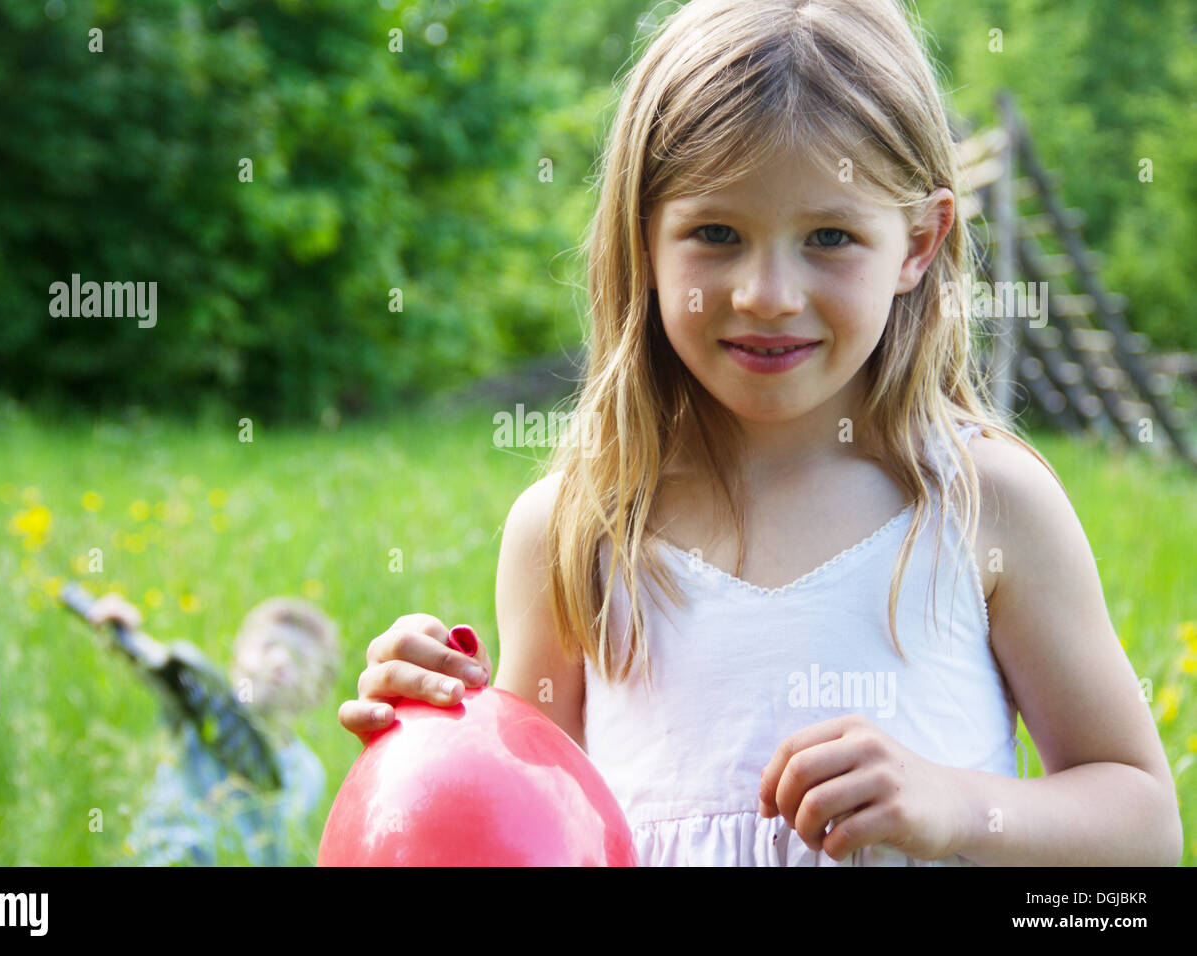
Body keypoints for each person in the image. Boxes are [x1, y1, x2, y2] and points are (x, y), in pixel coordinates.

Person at [338, 0, 1182, 866]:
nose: (768, 293)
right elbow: (524, 825)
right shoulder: (574, 532)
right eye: (715, 233)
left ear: (919, 243)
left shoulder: (983, 506)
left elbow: (1145, 822)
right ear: (643, 240)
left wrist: (956, 804)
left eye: (829, 235)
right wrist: (440, 732)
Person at [87, 593, 338, 865]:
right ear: (237, 655)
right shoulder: (201, 707)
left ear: (320, 691)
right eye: (268, 645)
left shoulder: (310, 774)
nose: (280, 661)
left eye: (299, 659)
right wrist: (125, 632)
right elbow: (159, 666)